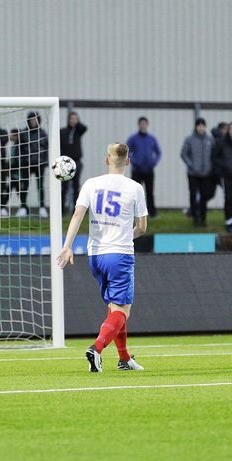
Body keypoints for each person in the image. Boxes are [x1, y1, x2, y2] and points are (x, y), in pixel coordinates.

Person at [57, 143, 147, 373]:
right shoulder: (135, 188)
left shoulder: (91, 183)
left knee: (114, 307)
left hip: (95, 256)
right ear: (128, 161)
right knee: (122, 311)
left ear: (107, 161)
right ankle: (96, 349)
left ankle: (124, 359)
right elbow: (142, 227)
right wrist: (128, 235)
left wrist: (67, 247)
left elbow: (78, 214)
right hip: (120, 254)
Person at [181, 118, 214, 227]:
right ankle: (195, 218)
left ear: (205, 127)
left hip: (206, 174)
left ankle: (203, 219)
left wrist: (211, 167)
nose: (201, 127)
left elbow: (214, 154)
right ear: (195, 127)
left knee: (204, 197)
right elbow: (184, 154)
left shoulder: (210, 139)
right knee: (193, 195)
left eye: (202, 125)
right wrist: (191, 165)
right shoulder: (189, 139)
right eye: (198, 125)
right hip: (193, 174)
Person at [126, 117, 161, 218]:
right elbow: (127, 152)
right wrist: (134, 162)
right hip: (137, 170)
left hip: (149, 170)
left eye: (144, 124)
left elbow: (158, 152)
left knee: (150, 192)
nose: (143, 125)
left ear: (147, 125)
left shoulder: (152, 139)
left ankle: (152, 213)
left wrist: (154, 162)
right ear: (138, 125)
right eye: (141, 124)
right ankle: (133, 213)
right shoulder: (133, 138)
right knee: (135, 193)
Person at [18, 111, 49, 218]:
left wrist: (46, 162)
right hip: (26, 164)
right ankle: (23, 208)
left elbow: (47, 149)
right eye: (31, 120)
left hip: (40, 164)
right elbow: (20, 149)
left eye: (35, 119)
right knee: (24, 186)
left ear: (38, 120)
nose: (33, 121)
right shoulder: (23, 133)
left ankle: (42, 208)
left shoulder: (43, 133)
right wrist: (21, 162)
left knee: (40, 186)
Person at [59, 111, 88, 213]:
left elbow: (84, 128)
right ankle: (62, 210)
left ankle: (76, 211)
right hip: (65, 163)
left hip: (77, 162)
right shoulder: (62, 131)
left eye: (75, 119)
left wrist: (77, 123)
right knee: (64, 188)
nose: (73, 120)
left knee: (76, 187)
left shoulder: (78, 131)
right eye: (71, 118)